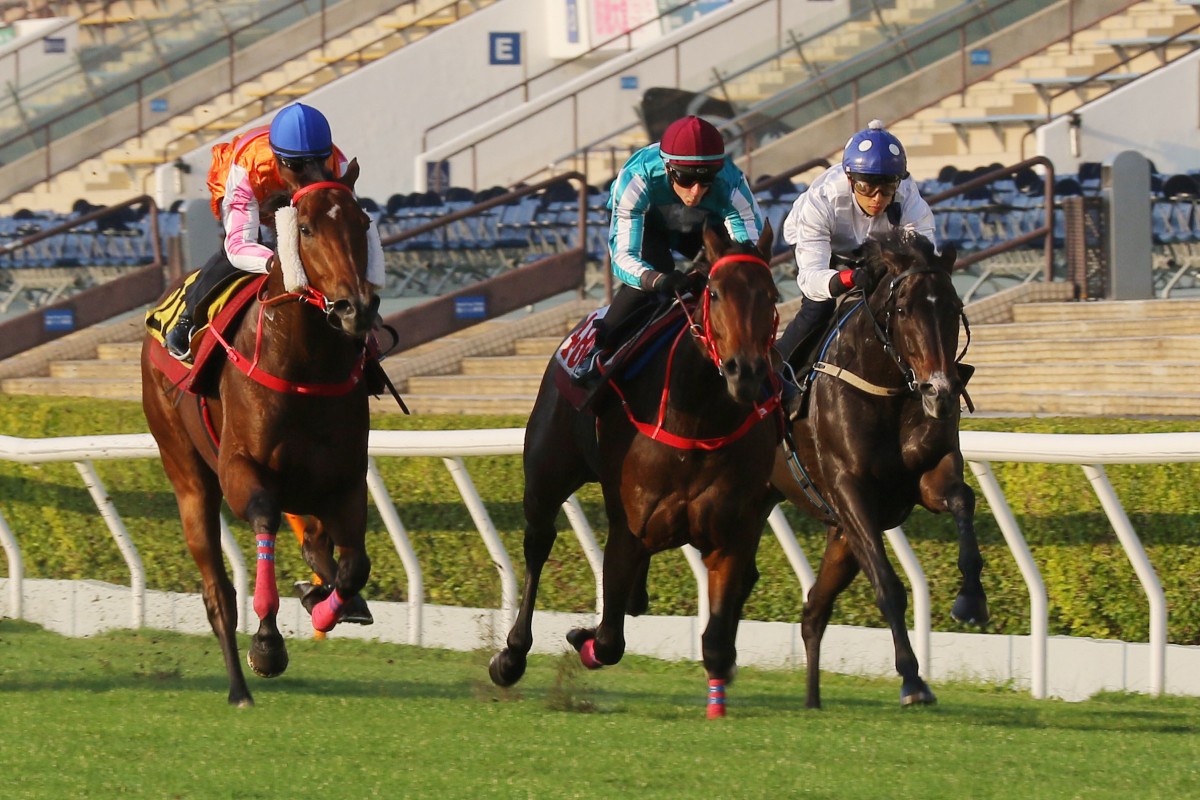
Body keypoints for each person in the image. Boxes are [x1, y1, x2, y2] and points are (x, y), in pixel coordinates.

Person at [570, 115, 765, 385]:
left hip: (701, 226)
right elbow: (624, 257)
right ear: (668, 169)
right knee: (655, 268)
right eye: (686, 179)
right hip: (650, 225)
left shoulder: (731, 183)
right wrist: (657, 279)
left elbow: (749, 254)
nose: (695, 192)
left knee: (737, 278)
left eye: (706, 179)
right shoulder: (637, 178)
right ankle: (599, 350)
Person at [162, 102, 348, 360]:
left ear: (327, 157)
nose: (308, 174)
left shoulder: (338, 164)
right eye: (297, 166)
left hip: (304, 200)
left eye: (316, 164)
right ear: (279, 160)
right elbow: (239, 245)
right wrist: (278, 263)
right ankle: (188, 317)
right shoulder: (248, 165)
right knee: (236, 258)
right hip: (256, 190)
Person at [776, 119, 937, 384]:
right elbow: (810, 278)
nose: (877, 198)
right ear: (850, 179)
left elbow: (923, 255)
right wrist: (849, 278)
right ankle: (778, 374)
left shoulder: (909, 197)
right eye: (866, 187)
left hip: (877, 246)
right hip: (827, 248)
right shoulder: (822, 199)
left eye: (887, 188)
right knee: (819, 308)